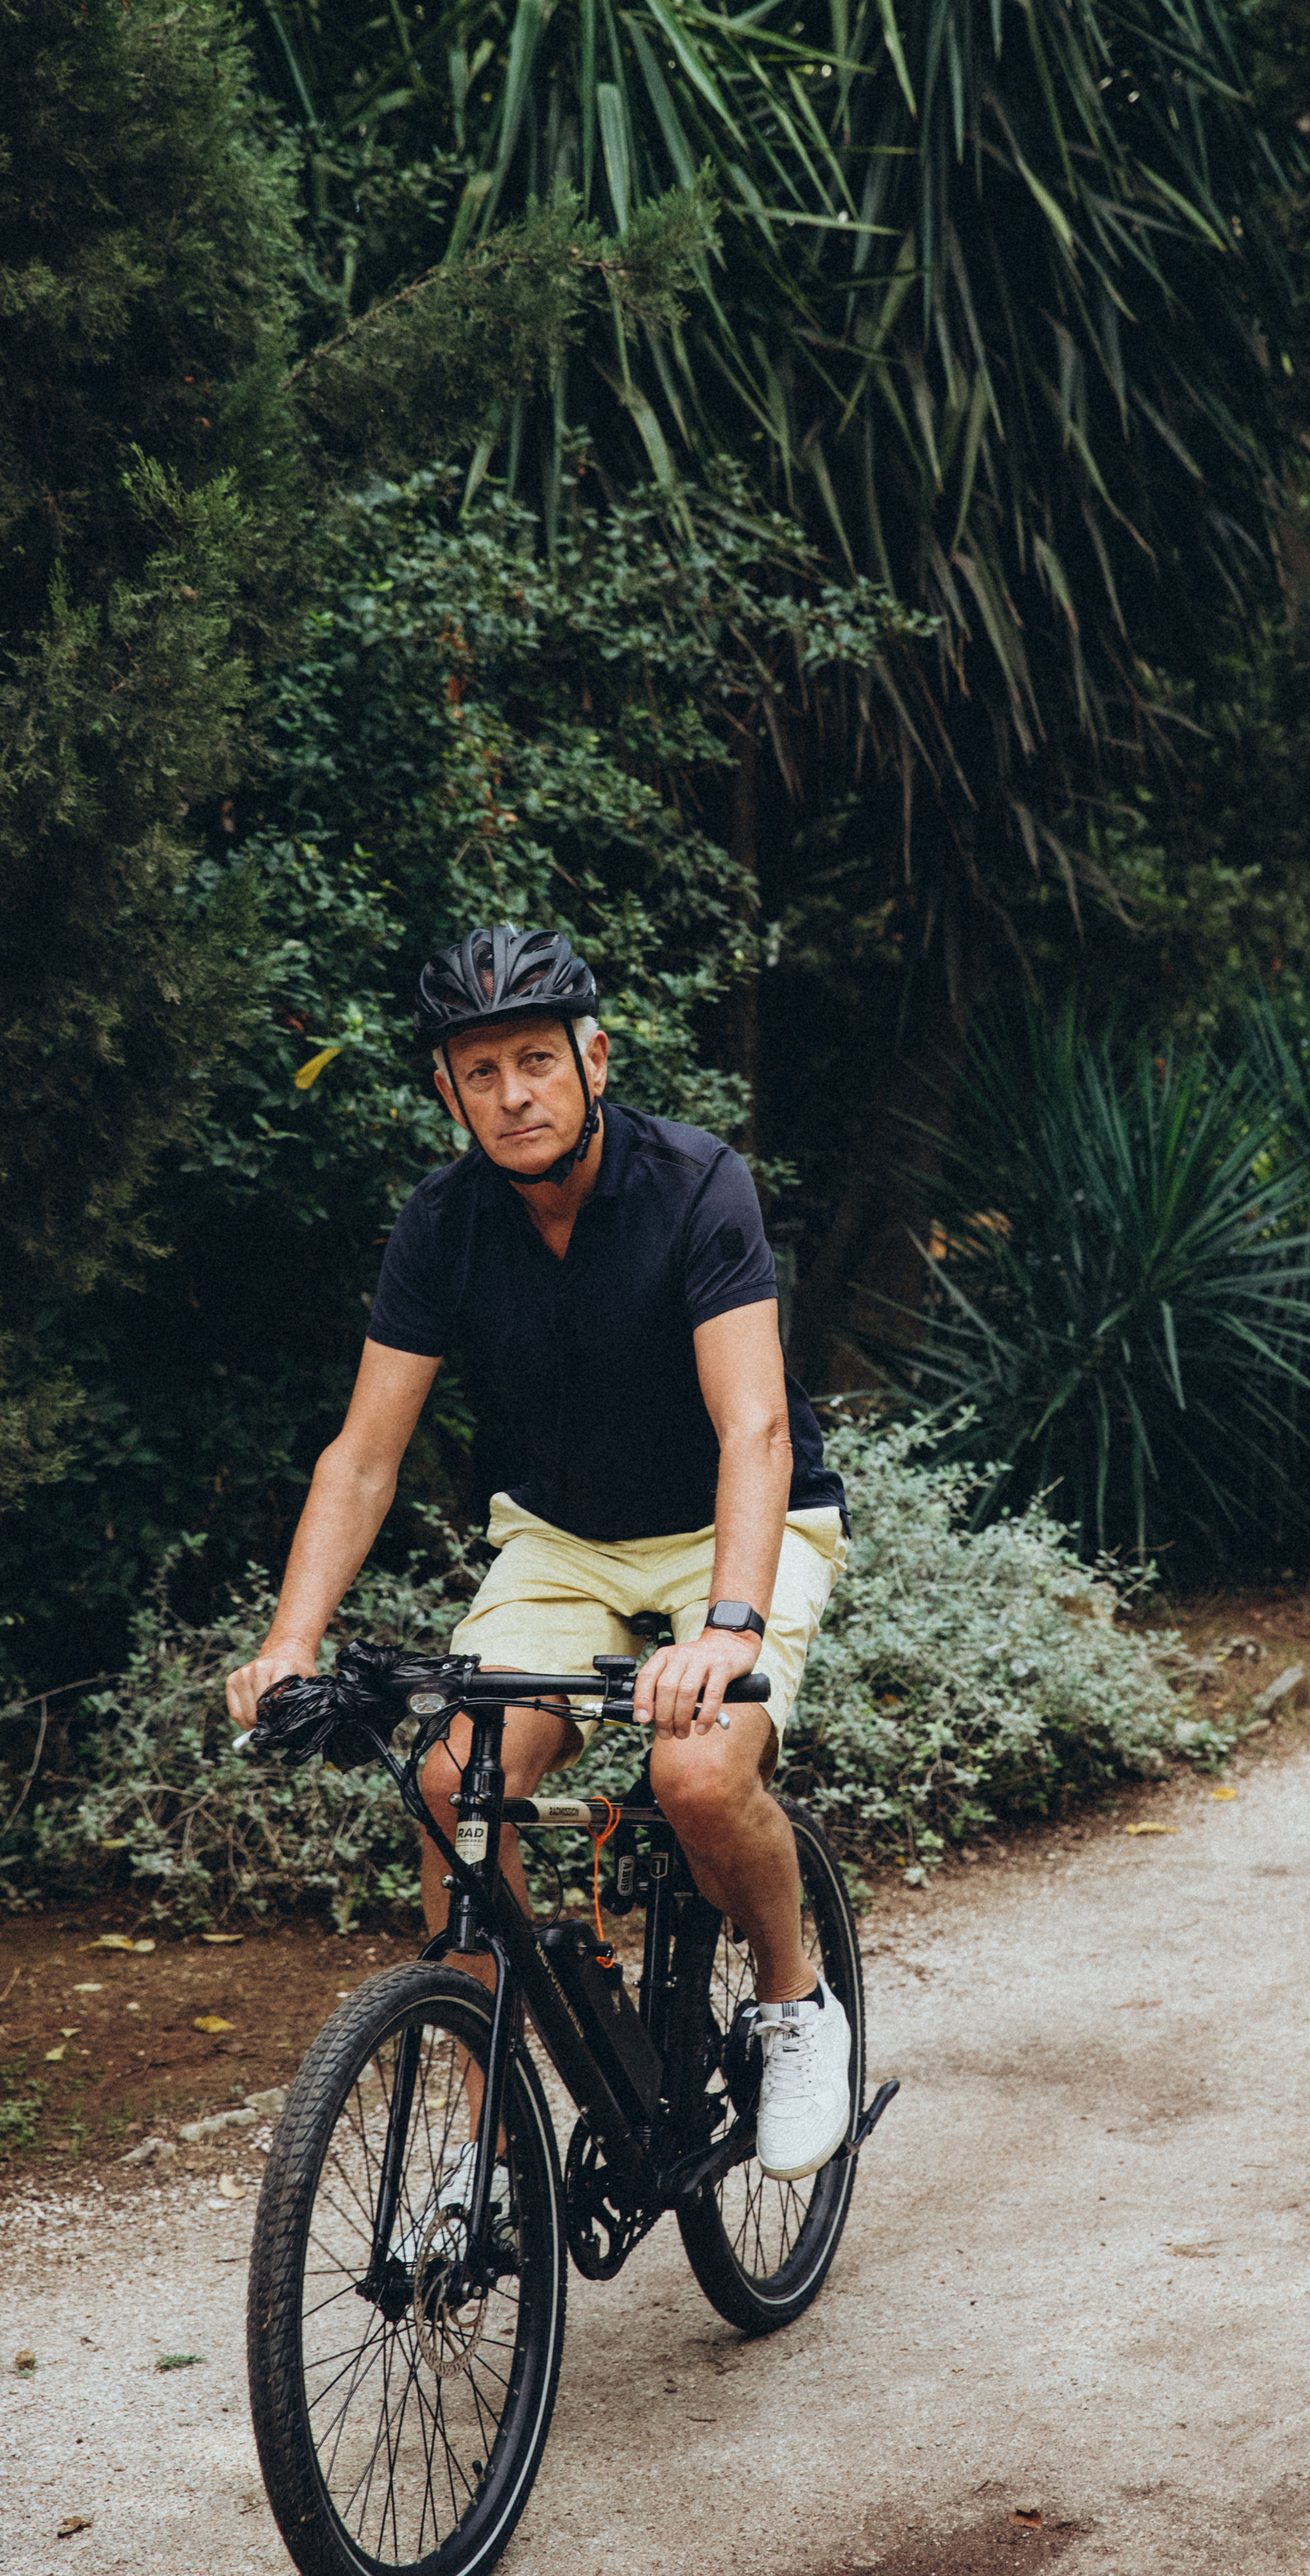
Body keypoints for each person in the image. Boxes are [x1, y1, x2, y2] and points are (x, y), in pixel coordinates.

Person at [225, 924, 853, 2202]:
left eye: (536, 1060)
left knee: (695, 1770)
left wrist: (727, 1626)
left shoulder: (696, 1184)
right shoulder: (443, 1224)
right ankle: (495, 2132)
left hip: (735, 1524)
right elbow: (361, 1458)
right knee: (457, 1782)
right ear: (448, 1094)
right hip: (563, 1542)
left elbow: (756, 1427)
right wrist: (290, 1643)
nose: (513, 1093)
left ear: (594, 1059)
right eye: (480, 1071)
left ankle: (795, 2004)